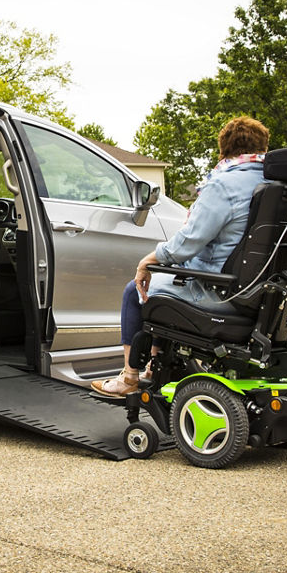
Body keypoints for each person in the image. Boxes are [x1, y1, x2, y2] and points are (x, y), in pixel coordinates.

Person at [92, 116, 270, 397]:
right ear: (262, 147)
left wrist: (150, 260)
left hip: (219, 292)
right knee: (167, 286)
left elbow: (189, 241)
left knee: (135, 291)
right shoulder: (274, 183)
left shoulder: (224, 185)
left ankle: (129, 377)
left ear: (223, 149)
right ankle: (153, 368)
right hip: (259, 294)